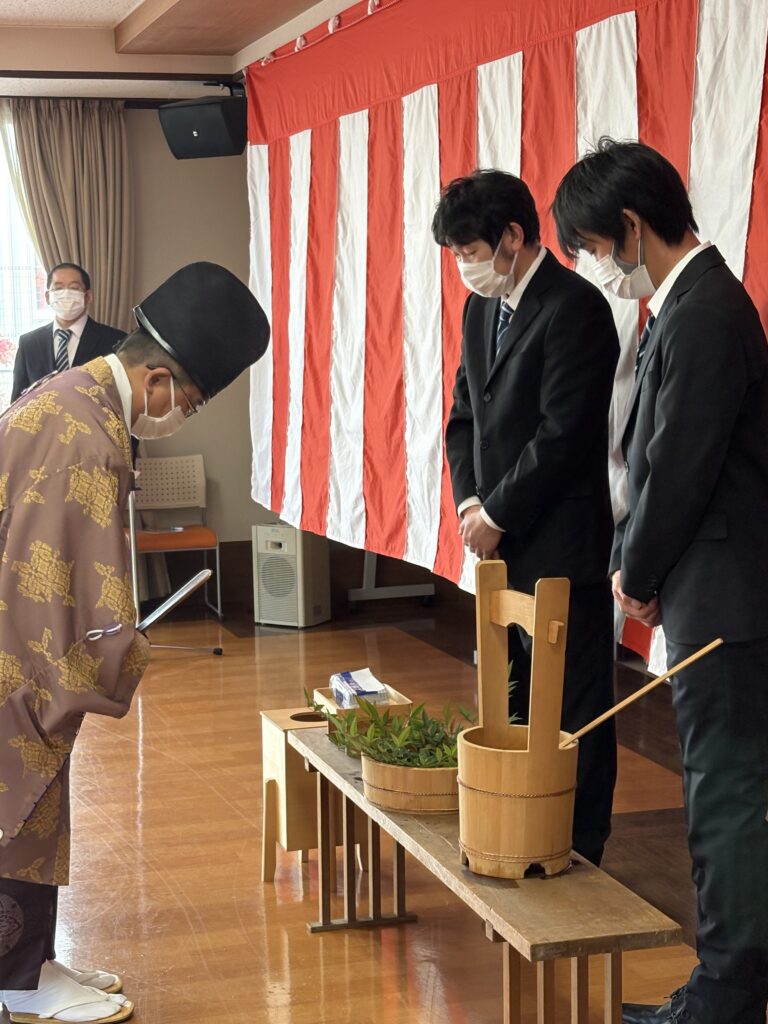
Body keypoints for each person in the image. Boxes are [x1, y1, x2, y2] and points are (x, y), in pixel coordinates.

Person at [0, 262, 270, 1023]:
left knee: (32, 803)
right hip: (18, 644)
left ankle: (32, 961)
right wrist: (113, 651)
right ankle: (16, 982)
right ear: (156, 381)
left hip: (14, 634)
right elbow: (64, 580)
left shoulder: (72, 400)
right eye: (184, 401)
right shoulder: (84, 433)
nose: (176, 414)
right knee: (18, 801)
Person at [553, 139, 768, 1024]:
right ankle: (724, 981)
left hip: (725, 597)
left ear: (632, 228)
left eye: (597, 248)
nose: (601, 268)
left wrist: (633, 574)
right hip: (708, 588)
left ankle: (723, 994)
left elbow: (678, 467)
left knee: (726, 794)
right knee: (726, 790)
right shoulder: (686, 305)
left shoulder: (704, 311)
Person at [432, 169, 620, 867]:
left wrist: (501, 510)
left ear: (512, 237)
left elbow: (562, 434)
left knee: (573, 705)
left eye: (470, 251)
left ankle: (581, 846)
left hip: (560, 539)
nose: (464, 268)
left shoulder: (575, 308)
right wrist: (472, 504)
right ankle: (519, 828)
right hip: (498, 537)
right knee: (511, 694)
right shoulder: (481, 309)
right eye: (454, 255)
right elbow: (462, 419)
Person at [11, 262, 125, 403]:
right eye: (58, 288)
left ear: (88, 296)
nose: (65, 294)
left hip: (94, 423)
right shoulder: (29, 344)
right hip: (42, 425)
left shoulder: (116, 341)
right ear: (47, 297)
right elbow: (17, 403)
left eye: (74, 288)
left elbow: (122, 399)